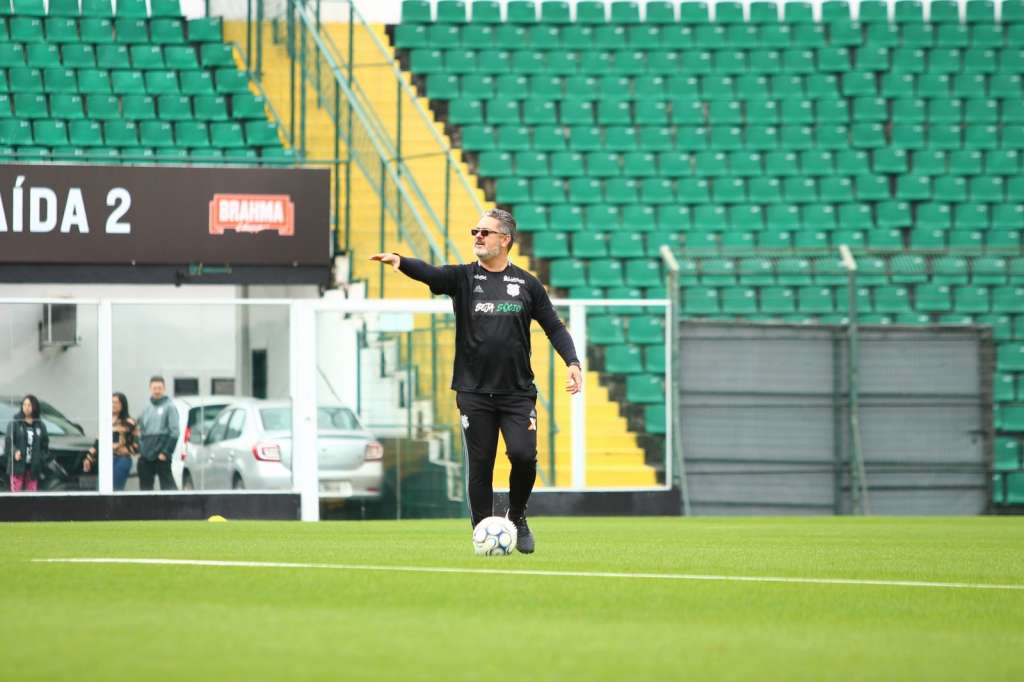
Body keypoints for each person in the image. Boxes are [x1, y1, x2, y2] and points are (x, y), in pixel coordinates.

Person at [371, 208, 582, 554]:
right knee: (481, 466)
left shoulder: (527, 284)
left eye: (485, 232)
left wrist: (572, 361)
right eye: (474, 232)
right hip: (473, 391)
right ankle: (482, 531)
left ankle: (517, 516)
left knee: (523, 456)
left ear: (505, 240)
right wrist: (402, 261)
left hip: (517, 393)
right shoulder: (464, 279)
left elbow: (554, 327)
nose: (478, 237)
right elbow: (433, 274)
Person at [84, 393, 140, 491]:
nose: (113, 405)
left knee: (116, 490)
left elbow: (138, 445)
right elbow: (97, 443)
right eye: (111, 402)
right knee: (101, 489)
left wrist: (125, 450)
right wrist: (89, 458)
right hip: (105, 460)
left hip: (121, 460)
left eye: (116, 402)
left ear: (123, 404)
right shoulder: (105, 421)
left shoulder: (130, 422)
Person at [138, 376, 179, 491]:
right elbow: (140, 430)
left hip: (162, 452)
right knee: (145, 488)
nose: (157, 391)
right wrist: (140, 449)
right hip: (146, 453)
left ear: (164, 389)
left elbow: (175, 432)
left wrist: (166, 452)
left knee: (168, 487)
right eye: (154, 388)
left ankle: (173, 508)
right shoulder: (146, 408)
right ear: (150, 389)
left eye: (159, 388)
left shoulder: (169, 407)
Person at [4, 395, 50, 492]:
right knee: (16, 496)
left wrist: (40, 459)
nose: (26, 407)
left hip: (33, 467)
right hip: (17, 466)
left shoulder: (40, 425)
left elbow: (45, 445)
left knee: (31, 496)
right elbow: (9, 441)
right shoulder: (15, 422)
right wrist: (15, 452)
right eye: (24, 405)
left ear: (35, 407)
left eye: (29, 405)